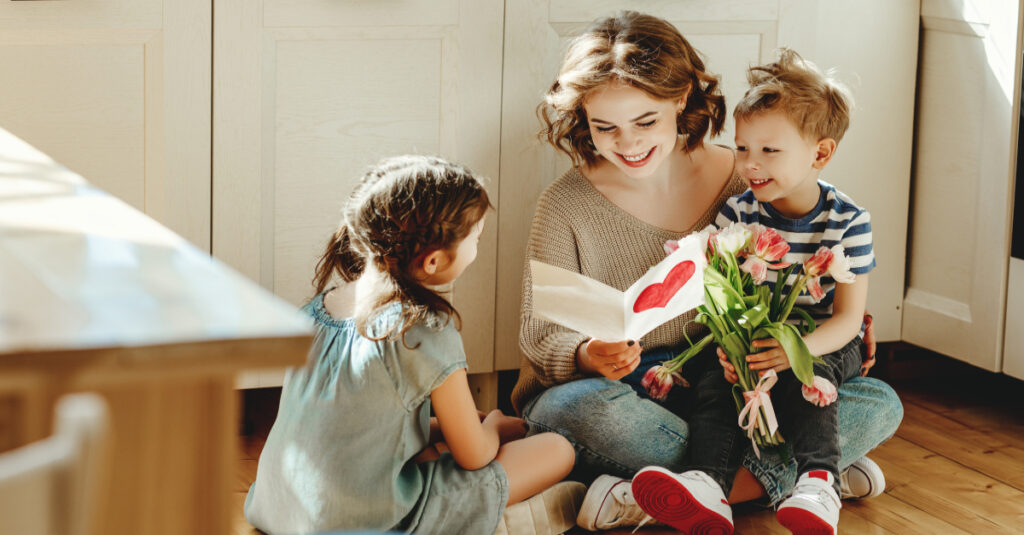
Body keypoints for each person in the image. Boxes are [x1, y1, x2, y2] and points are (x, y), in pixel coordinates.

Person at [513, 11, 903, 532]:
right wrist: (588, 354)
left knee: (879, 403)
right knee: (581, 410)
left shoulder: (747, 178)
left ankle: (663, 494)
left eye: (646, 122)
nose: (627, 144)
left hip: (731, 382)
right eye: (605, 128)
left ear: (681, 99)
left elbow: (803, 262)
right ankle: (798, 479)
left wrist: (830, 323)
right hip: (631, 390)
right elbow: (540, 339)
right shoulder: (565, 205)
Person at [244, 155, 579, 535]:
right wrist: (496, 427)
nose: (476, 250)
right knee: (557, 450)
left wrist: (450, 428)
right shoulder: (422, 329)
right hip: (368, 521)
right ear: (434, 260)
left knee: (437, 448)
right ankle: (493, 522)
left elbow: (353, 426)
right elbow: (474, 455)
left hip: (279, 512)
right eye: (476, 239)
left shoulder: (316, 310)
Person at [630, 48, 880, 535]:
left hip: (822, 339)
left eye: (770, 151)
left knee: (813, 380)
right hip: (756, 338)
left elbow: (849, 321)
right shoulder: (739, 214)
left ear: (820, 154)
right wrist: (732, 352)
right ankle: (707, 483)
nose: (750, 164)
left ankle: (818, 481)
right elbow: (725, 300)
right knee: (715, 383)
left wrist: (796, 352)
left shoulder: (849, 222)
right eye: (743, 148)